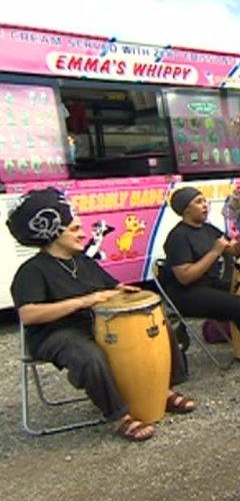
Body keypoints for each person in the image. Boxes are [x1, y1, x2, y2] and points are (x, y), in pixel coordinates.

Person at [8, 188, 195, 442]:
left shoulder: (82, 261)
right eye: (74, 229)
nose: (83, 233)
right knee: (90, 356)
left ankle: (161, 390)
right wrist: (83, 301)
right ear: (53, 234)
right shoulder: (31, 271)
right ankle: (119, 416)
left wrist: (124, 293)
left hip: (95, 324)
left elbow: (110, 287)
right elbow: (29, 314)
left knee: (156, 325)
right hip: (55, 333)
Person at [161, 187, 240, 370]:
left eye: (205, 201)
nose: (205, 205)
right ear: (185, 210)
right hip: (186, 294)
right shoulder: (178, 237)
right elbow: (185, 277)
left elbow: (232, 249)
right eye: (198, 202)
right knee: (239, 305)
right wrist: (214, 252)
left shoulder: (208, 229)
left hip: (208, 284)